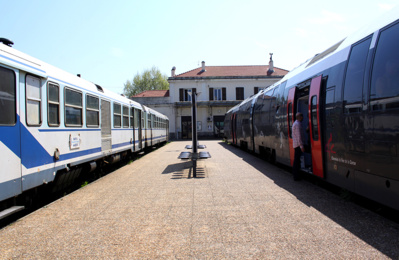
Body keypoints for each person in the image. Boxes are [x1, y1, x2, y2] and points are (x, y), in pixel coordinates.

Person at [292, 112, 305, 181]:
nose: (303, 117)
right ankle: (296, 176)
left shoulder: (296, 124)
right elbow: (299, 136)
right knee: (296, 161)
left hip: (296, 145)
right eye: (302, 116)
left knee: (296, 160)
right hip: (298, 146)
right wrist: (301, 146)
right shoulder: (297, 125)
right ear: (299, 117)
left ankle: (296, 175)